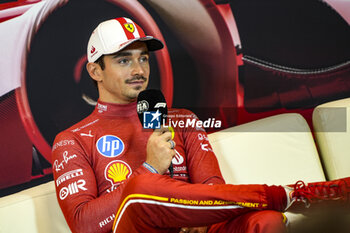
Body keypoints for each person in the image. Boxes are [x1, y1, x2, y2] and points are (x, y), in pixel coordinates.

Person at [52, 17, 350, 233]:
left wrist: (195, 217)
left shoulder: (182, 119)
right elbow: (85, 225)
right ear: (95, 71)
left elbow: (213, 186)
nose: (139, 69)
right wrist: (151, 168)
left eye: (143, 58)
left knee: (266, 222)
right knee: (140, 188)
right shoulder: (71, 140)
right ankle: (287, 194)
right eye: (123, 60)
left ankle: (281, 199)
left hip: (197, 229)